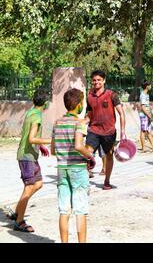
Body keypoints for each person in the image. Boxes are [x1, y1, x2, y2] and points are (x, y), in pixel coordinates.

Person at [51, 88, 96, 243]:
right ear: (78, 104)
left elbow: (52, 150)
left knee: (64, 210)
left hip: (62, 169)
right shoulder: (80, 123)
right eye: (82, 102)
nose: (83, 105)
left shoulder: (57, 123)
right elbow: (78, 145)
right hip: (77, 169)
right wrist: (90, 155)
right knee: (80, 210)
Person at [7, 89, 52, 233]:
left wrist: (41, 146)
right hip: (27, 157)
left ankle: (17, 211)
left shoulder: (31, 112)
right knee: (29, 186)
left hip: (29, 155)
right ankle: (19, 221)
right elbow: (31, 138)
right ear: (45, 104)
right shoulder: (37, 117)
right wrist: (51, 140)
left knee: (38, 184)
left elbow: (29, 136)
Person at [85, 70, 126, 190]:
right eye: (94, 80)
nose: (96, 82)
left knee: (109, 156)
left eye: (99, 80)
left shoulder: (112, 95)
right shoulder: (89, 96)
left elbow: (121, 113)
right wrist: (79, 124)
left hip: (109, 132)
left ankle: (107, 181)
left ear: (104, 81)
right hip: (94, 130)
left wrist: (123, 132)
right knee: (87, 153)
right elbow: (89, 115)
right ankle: (85, 177)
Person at [139, 80, 153, 153]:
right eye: (150, 85)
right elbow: (143, 107)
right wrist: (149, 115)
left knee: (148, 131)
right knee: (143, 131)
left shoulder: (146, 95)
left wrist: (149, 115)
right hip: (144, 115)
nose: (151, 86)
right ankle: (144, 148)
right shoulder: (143, 95)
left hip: (147, 115)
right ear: (147, 86)